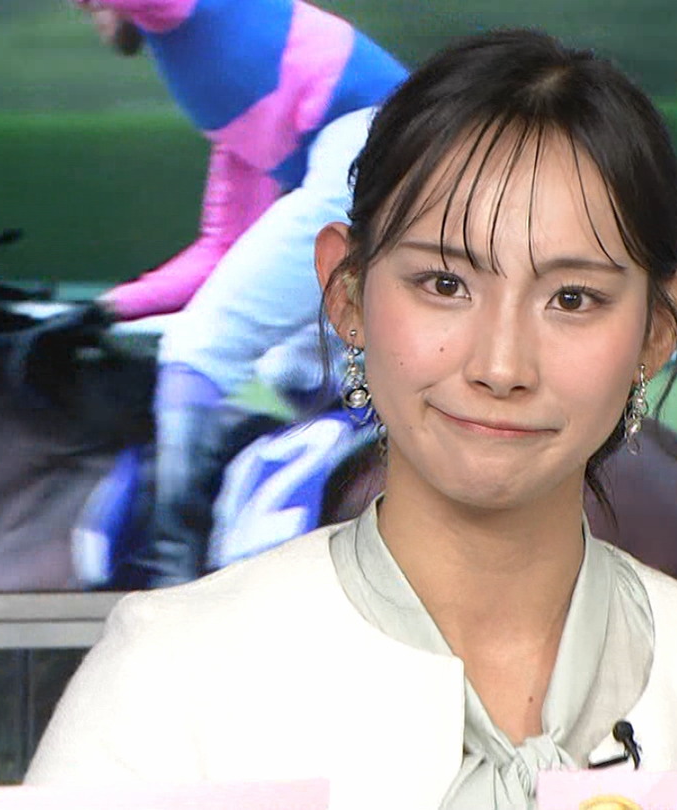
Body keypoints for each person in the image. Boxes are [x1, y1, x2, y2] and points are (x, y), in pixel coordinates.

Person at [25, 29, 677, 809]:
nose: (500, 366)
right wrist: (111, 305)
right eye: (444, 284)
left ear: (659, 330)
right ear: (347, 296)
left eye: (573, 297)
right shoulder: (159, 688)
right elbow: (218, 250)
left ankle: (175, 540)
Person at [73, 0, 407, 587]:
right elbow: (218, 252)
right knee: (293, 362)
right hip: (398, 153)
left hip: (379, 149)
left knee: (199, 347)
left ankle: (173, 569)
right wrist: (104, 308)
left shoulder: (181, 11)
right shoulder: (237, 114)